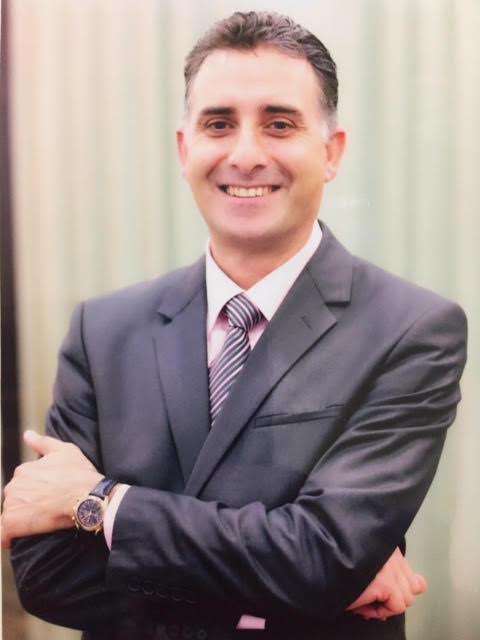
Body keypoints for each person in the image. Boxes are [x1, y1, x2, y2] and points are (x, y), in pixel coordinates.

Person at [2, 11, 466, 640]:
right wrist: (296, 587)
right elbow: (47, 575)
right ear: (184, 148)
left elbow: (323, 557)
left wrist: (102, 504)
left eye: (280, 124)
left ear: (331, 152)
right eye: (219, 124)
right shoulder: (103, 332)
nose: (246, 154)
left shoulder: (411, 331)